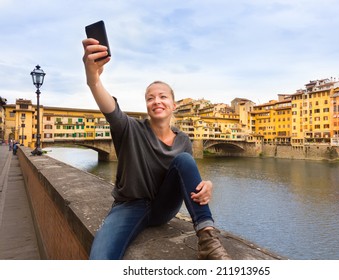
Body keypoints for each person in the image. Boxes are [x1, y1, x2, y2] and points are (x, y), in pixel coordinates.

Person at [82, 38, 231, 260]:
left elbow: (187, 177)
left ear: (173, 105)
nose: (157, 101)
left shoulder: (184, 141)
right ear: (147, 105)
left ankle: (208, 239)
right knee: (99, 258)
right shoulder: (129, 128)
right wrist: (93, 79)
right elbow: (109, 108)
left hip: (163, 208)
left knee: (184, 161)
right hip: (128, 206)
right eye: (150, 98)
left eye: (163, 97)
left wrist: (207, 184)